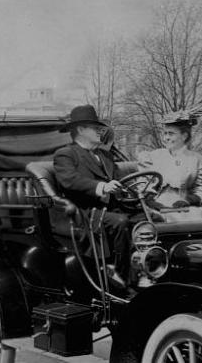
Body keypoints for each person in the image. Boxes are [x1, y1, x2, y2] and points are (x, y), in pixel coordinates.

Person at [53, 105, 133, 286]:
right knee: (120, 222)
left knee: (148, 218)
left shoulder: (105, 155)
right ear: (80, 130)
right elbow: (70, 181)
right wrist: (102, 187)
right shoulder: (66, 154)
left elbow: (122, 180)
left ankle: (150, 268)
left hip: (113, 208)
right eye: (95, 127)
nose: (100, 130)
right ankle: (120, 276)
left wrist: (141, 191)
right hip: (86, 212)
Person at [137, 105, 202, 212]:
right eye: (165, 133)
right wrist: (151, 202)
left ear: (184, 136)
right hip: (156, 209)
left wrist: (189, 200)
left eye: (171, 134)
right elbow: (143, 185)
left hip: (187, 208)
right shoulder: (153, 157)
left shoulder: (198, 160)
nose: (166, 138)